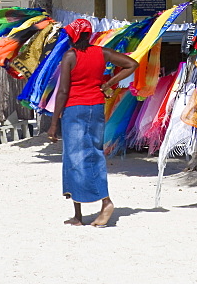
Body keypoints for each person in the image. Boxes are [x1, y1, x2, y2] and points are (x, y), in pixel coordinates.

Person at [48, 18, 138, 227]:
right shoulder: (101, 53)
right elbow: (131, 64)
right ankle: (80, 214)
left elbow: (63, 91)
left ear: (73, 36)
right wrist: (108, 83)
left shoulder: (70, 56)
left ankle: (103, 203)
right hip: (96, 108)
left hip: (75, 110)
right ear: (88, 35)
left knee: (73, 158)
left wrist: (54, 123)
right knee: (93, 153)